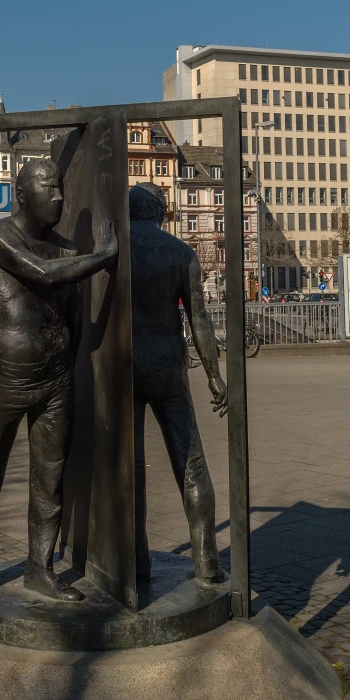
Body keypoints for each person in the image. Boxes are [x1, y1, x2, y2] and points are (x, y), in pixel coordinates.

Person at [0, 158, 119, 602]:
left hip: (53, 384)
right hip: (3, 383)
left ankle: (40, 567)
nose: (59, 197)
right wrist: (104, 256)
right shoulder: (1, 237)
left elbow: (73, 316)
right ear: (22, 194)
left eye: (61, 188)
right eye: (49, 188)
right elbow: (43, 274)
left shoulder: (69, 251)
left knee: (49, 482)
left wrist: (60, 360)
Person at [126, 183, 227, 584]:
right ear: (161, 212)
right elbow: (198, 319)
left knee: (130, 469)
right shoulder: (180, 253)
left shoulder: (115, 250)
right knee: (191, 464)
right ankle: (207, 561)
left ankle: (136, 563)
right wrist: (214, 374)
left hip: (126, 364)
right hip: (168, 362)